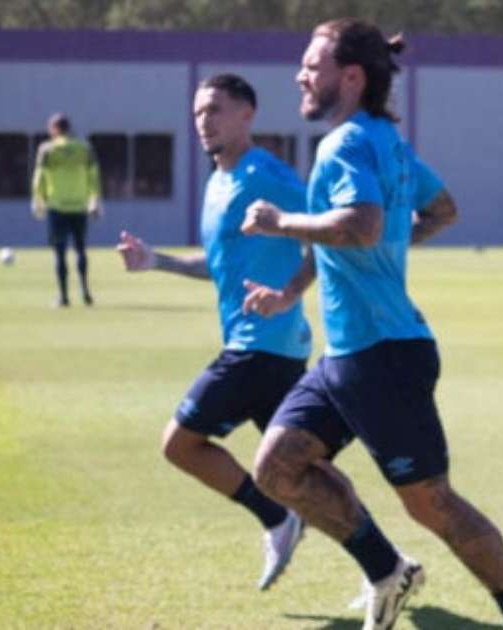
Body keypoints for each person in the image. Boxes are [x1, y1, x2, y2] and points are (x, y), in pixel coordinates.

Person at [238, 19, 503, 630]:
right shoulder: (386, 141)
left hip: (381, 359)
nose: (300, 75)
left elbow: (359, 224)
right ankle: (388, 571)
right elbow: (441, 210)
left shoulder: (345, 144)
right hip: (348, 357)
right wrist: (289, 294)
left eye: (312, 65)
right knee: (276, 467)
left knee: (431, 504)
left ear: (351, 78)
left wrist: (282, 223)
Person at [115, 74, 310, 591]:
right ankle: (385, 563)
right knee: (308, 475)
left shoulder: (266, 174)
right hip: (266, 347)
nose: (204, 120)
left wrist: (289, 293)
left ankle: (277, 518)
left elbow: (330, 228)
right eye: (199, 111)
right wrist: (155, 261)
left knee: (180, 444)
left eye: (216, 110)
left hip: (260, 346)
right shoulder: (218, 182)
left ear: (247, 114)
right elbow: (223, 267)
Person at [32, 113, 103, 307]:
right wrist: (94, 200)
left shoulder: (47, 149)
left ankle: (63, 297)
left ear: (54, 129)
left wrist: (38, 200)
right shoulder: (84, 148)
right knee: (81, 249)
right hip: (79, 206)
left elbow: (39, 177)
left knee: (60, 252)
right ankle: (85, 293)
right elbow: (94, 176)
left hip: (57, 207)